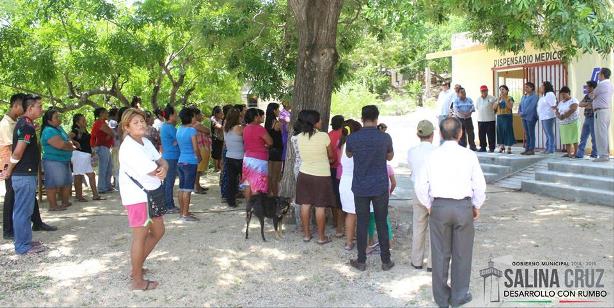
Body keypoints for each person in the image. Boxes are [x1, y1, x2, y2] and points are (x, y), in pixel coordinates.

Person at [414, 117, 486, 307]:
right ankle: (459, 295)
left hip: (439, 207)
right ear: (460, 133)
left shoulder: (432, 156)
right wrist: (476, 205)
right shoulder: (469, 155)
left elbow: (420, 185)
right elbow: (479, 185)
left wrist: (429, 205)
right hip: (463, 207)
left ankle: (441, 298)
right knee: (462, 253)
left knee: (439, 253)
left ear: (440, 133)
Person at [118, 108, 167, 291]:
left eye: (142, 121)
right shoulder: (129, 148)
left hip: (151, 194)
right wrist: (161, 170)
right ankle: (137, 280)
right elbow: (154, 170)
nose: (140, 124)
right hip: (138, 197)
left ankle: (136, 268)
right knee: (140, 237)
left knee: (158, 231)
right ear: (127, 127)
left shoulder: (145, 141)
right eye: (135, 122)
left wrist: (165, 168)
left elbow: (162, 161)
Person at [346, 105, 394, 272]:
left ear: (362, 118)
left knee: (362, 222)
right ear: (377, 118)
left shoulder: (353, 138)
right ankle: (386, 261)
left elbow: (349, 154)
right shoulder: (385, 137)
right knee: (381, 221)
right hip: (380, 184)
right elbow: (390, 156)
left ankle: (361, 260)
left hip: (360, 185)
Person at [1, 94, 56, 241]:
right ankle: (23, 244)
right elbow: (17, 152)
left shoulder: (25, 123)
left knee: (24, 209)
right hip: (23, 173)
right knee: (22, 211)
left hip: (24, 173)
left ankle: (26, 240)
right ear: (30, 108)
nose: (42, 110)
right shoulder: (26, 126)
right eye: (40, 106)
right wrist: (9, 171)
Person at [295, 110, 336, 244]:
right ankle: (321, 237)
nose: (321, 122)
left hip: (304, 173)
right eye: (319, 120)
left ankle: (306, 235)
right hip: (321, 175)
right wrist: (327, 159)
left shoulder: (299, 136)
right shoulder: (324, 136)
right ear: (314, 122)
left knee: (305, 205)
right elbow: (331, 156)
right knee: (320, 206)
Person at [407, 120, 435, 272]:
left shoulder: (412, 151)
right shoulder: (437, 151)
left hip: (417, 190)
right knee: (435, 228)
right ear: (432, 134)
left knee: (419, 225)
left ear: (418, 134)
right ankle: (432, 263)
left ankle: (416, 260)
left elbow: (412, 168)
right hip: (434, 192)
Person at [41, 108, 75, 211]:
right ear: (49, 121)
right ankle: (53, 205)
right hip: (53, 160)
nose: (58, 119)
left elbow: (68, 140)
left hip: (64, 159)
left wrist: (69, 144)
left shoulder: (59, 128)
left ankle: (65, 202)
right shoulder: (48, 130)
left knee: (67, 182)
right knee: (53, 183)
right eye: (56, 117)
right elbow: (61, 145)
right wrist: (70, 145)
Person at [69, 114, 104, 202]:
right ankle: (79, 196)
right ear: (77, 122)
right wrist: (74, 142)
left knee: (91, 175)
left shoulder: (84, 131)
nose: (85, 122)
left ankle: (95, 195)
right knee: (78, 175)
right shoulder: (75, 130)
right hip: (79, 155)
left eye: (85, 120)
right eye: (83, 120)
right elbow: (67, 137)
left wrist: (91, 151)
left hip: (85, 155)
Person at [339, 120, 362, 250]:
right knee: (358, 213)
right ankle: (358, 239)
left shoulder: (343, 144)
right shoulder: (357, 144)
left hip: (344, 181)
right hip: (356, 181)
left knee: (350, 213)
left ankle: (349, 242)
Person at [242, 108, 273, 200]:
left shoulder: (246, 128)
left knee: (248, 183)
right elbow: (270, 142)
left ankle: (249, 206)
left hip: (247, 158)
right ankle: (257, 208)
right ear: (256, 117)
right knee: (258, 184)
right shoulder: (260, 129)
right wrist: (265, 145)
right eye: (259, 115)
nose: (261, 117)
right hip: (259, 160)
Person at [176, 107, 201, 221]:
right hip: (190, 162)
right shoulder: (192, 131)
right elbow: (196, 148)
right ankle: (185, 215)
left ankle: (182, 212)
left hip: (181, 160)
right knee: (187, 189)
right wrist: (199, 157)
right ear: (190, 117)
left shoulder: (179, 129)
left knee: (181, 188)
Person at [159, 104, 180, 213]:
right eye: (175, 114)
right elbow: (179, 139)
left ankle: (165, 204)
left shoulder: (164, 127)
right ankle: (169, 205)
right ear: (170, 115)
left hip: (168, 156)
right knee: (169, 182)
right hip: (171, 157)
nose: (176, 116)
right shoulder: (170, 127)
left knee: (167, 182)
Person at [223, 109, 244, 208]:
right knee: (245, 180)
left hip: (229, 156)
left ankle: (231, 201)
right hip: (240, 157)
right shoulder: (239, 128)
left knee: (231, 181)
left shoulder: (225, 127)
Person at [91, 107, 115, 193]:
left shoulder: (103, 123)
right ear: (101, 114)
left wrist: (110, 134)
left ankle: (107, 185)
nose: (107, 114)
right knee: (103, 167)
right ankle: (101, 187)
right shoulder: (99, 123)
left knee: (109, 167)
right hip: (101, 147)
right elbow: (111, 133)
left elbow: (111, 133)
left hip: (105, 147)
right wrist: (110, 134)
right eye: (105, 113)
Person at [329, 115, 345, 238]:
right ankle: (342, 223)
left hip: (330, 167)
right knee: (342, 196)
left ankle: (335, 221)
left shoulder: (329, 134)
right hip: (341, 169)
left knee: (334, 194)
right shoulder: (343, 134)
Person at [592, 68, 612, 162]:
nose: (598, 76)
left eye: (599, 74)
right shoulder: (610, 84)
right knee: (603, 133)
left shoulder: (602, 85)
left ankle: (603, 156)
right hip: (605, 111)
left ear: (603, 75)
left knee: (601, 134)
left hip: (601, 111)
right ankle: (605, 154)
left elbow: (591, 95)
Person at [576, 81, 599, 159]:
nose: (586, 88)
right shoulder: (587, 96)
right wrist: (587, 104)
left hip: (593, 118)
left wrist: (586, 105)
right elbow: (580, 104)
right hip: (587, 118)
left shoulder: (596, 95)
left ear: (592, 87)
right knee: (583, 137)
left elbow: (593, 106)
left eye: (588, 87)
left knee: (594, 137)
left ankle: (594, 154)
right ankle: (579, 154)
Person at [265, 103, 283, 196]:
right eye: (278, 109)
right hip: (277, 150)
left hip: (270, 150)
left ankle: (269, 194)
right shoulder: (276, 122)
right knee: (275, 177)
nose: (279, 111)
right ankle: (275, 197)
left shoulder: (267, 121)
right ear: (274, 110)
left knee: (270, 176)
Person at [556, 86, 580, 158]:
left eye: (564, 94)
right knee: (566, 139)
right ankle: (569, 153)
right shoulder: (561, 102)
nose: (562, 96)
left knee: (574, 138)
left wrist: (563, 116)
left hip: (573, 122)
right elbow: (557, 110)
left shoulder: (573, 100)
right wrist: (558, 115)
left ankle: (576, 153)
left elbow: (573, 109)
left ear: (568, 93)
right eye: (561, 94)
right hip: (563, 124)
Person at [191, 107, 211, 194]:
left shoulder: (194, 124)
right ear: (195, 115)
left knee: (199, 169)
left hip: (201, 147)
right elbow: (207, 131)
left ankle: (197, 185)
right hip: (200, 147)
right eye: (200, 114)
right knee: (198, 169)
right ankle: (196, 187)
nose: (201, 116)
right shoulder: (196, 124)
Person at [519, 82, 539, 155]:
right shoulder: (524, 96)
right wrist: (519, 112)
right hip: (523, 117)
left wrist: (523, 113)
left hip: (531, 117)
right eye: (525, 87)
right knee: (526, 134)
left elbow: (531, 107)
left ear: (532, 88)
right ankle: (527, 149)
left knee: (531, 134)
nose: (525, 88)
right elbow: (520, 105)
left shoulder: (535, 96)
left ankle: (531, 149)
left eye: (527, 87)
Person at [537, 81, 557, 154]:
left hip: (548, 116)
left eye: (542, 86)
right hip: (543, 117)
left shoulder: (550, 94)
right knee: (547, 134)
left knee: (549, 133)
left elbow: (553, 105)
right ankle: (547, 148)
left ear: (546, 87)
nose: (540, 87)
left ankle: (551, 149)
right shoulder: (544, 95)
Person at [494, 85, 515, 154]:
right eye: (500, 90)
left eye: (503, 89)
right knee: (500, 131)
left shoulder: (510, 98)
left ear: (507, 90)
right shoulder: (498, 98)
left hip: (507, 116)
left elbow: (510, 107)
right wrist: (498, 101)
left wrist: (505, 99)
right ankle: (502, 146)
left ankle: (509, 147)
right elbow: (494, 108)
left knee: (507, 131)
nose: (501, 91)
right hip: (499, 117)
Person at [475, 85, 497, 152]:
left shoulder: (492, 98)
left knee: (491, 135)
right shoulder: (478, 99)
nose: (484, 92)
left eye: (485, 90)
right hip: (481, 120)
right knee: (481, 135)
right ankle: (483, 147)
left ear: (487, 90)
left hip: (490, 120)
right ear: (480, 91)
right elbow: (477, 108)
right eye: (482, 91)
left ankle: (491, 148)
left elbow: (496, 107)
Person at [210, 106, 224, 172]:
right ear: (216, 114)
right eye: (221, 113)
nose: (222, 114)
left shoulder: (222, 120)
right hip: (215, 138)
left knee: (220, 152)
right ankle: (216, 168)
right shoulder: (213, 119)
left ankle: (219, 167)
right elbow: (218, 126)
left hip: (221, 138)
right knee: (215, 153)